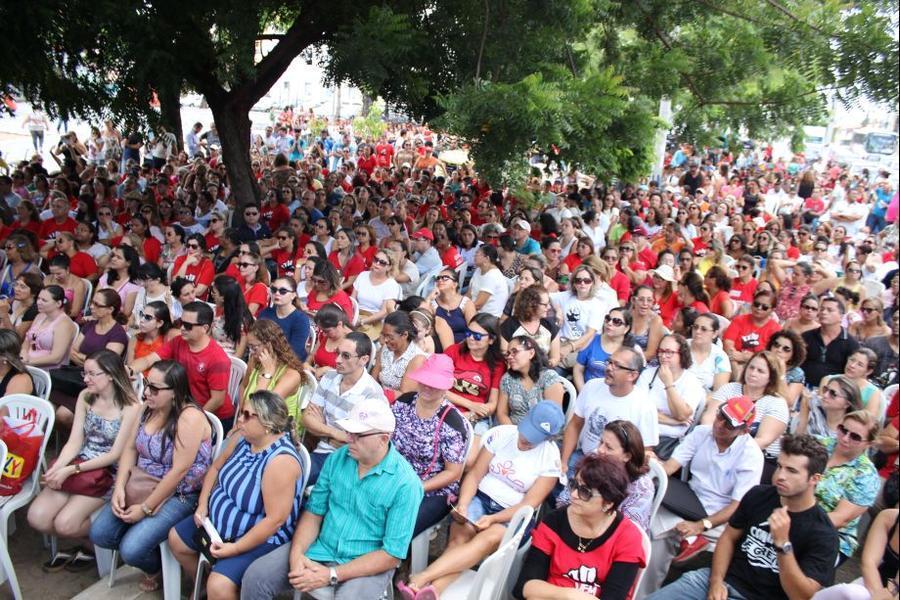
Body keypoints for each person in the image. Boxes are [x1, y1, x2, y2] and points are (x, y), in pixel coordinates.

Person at [240, 400, 423, 600]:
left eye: (358, 435)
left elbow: (391, 554)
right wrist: (297, 554)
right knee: (255, 577)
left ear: (383, 439)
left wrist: (332, 575)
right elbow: (314, 512)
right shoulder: (339, 458)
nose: (348, 439)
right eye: (348, 432)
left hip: (365, 562)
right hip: (321, 546)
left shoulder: (406, 484)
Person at [398, 401, 564, 599]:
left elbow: (528, 504)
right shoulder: (503, 435)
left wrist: (493, 519)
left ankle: (420, 578)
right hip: (481, 497)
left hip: (513, 513)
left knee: (487, 539)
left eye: (534, 439)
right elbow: (475, 474)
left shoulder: (550, 459)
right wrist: (464, 504)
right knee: (460, 537)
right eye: (527, 432)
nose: (526, 440)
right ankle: (433, 591)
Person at [646, 434, 839, 600]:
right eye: (779, 466)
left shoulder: (823, 534)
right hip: (718, 581)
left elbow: (801, 596)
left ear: (814, 479)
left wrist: (783, 546)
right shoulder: (759, 495)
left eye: (791, 471)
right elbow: (728, 538)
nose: (780, 475)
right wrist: (715, 581)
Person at [90, 360, 213, 593]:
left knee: (131, 549)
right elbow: (129, 449)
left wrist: (145, 508)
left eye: (154, 389)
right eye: (147, 384)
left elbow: (179, 471)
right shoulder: (146, 409)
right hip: (142, 482)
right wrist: (119, 487)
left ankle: (154, 562)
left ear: (175, 392)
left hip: (180, 493)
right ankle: (155, 556)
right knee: (100, 533)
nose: (146, 392)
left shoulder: (189, 418)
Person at [168, 390, 304, 599]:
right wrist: (203, 504)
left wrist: (235, 549)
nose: (239, 419)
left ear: (267, 424)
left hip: (258, 537)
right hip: (216, 525)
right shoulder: (243, 438)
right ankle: (203, 586)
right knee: (176, 540)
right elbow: (214, 469)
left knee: (220, 585)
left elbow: (275, 521)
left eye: (247, 415)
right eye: (242, 412)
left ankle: (219, 591)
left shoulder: (280, 462)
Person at [27, 350, 140, 572]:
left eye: (91, 374)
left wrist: (71, 469)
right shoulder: (86, 396)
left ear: (110, 375)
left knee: (65, 524)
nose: (85, 378)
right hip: (81, 461)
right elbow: (75, 441)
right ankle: (90, 542)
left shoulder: (131, 406)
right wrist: (59, 467)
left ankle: (100, 539)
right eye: (84, 373)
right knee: (37, 518)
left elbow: (115, 455)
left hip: (108, 472)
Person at [640, 396, 765, 594]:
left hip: (720, 518)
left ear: (744, 431)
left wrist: (701, 525)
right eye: (720, 416)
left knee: (658, 532)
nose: (720, 424)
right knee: (648, 518)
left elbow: (737, 507)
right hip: (689, 500)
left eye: (729, 424)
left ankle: (646, 594)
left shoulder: (751, 455)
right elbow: (671, 466)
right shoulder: (702, 432)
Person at [515, 453, 647, 600]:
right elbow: (525, 586)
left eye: (585, 492)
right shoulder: (554, 521)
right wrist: (568, 594)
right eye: (574, 485)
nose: (574, 495)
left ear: (608, 503)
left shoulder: (627, 537)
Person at [391, 354, 469, 536]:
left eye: (435, 383)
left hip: (431, 489)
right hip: (395, 475)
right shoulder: (404, 402)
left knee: (401, 525)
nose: (427, 386)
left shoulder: (451, 423)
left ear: (446, 387)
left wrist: (416, 486)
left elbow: (453, 472)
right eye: (425, 380)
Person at [130, 301, 234, 431]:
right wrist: (129, 370)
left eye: (188, 326)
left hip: (213, 417)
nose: (182, 328)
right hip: (183, 408)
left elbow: (217, 401)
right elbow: (148, 360)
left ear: (205, 328)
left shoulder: (218, 359)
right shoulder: (179, 342)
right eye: (181, 323)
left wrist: (191, 420)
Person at [302, 332, 387, 485]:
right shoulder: (329, 377)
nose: (337, 360)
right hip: (323, 451)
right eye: (338, 353)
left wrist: (321, 429)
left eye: (346, 356)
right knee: (283, 472)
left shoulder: (372, 395)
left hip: (350, 462)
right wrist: (333, 433)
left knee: (294, 478)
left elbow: (362, 445)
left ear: (364, 360)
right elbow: (307, 419)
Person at [562, 347, 659, 477]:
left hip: (613, 471)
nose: (608, 368)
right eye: (609, 362)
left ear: (632, 375)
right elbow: (575, 424)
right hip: (583, 456)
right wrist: (564, 462)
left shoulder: (645, 407)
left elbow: (645, 452)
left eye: (617, 366)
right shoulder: (591, 386)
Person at [557, 420, 655, 533]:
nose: (600, 450)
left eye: (609, 447)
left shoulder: (642, 487)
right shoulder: (592, 460)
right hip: (573, 525)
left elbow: (628, 531)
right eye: (601, 442)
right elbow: (563, 500)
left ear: (627, 456)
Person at [49, 288, 129, 427]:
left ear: (110, 309)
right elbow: (72, 351)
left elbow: (106, 364)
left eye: (97, 305)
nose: (92, 306)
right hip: (74, 379)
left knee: (63, 414)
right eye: (92, 302)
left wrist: (83, 360)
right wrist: (90, 361)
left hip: (97, 384)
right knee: (46, 404)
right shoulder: (90, 325)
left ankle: (80, 440)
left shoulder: (118, 334)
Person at [815, 411, 881, 564]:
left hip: (831, 535)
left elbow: (841, 518)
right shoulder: (818, 444)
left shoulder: (865, 474)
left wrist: (798, 524)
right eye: (843, 430)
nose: (845, 438)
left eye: (855, 437)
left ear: (869, 444)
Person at [704, 351, 790, 466]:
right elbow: (708, 419)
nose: (753, 373)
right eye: (751, 368)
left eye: (760, 371)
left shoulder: (777, 403)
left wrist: (727, 453)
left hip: (757, 458)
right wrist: (715, 448)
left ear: (771, 377)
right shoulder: (729, 389)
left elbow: (762, 441)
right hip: (715, 447)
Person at [442, 313, 506, 443]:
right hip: (445, 408)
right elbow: (439, 389)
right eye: (468, 333)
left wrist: (472, 414)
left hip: (477, 417)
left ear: (491, 340)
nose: (470, 338)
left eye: (477, 336)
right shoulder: (453, 351)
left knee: (474, 451)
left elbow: (493, 404)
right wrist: (471, 406)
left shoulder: (498, 364)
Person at [640, 333, 705, 459]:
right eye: (661, 351)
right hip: (643, 432)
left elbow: (682, 415)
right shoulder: (648, 375)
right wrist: (672, 421)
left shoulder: (691, 382)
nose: (663, 356)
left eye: (669, 352)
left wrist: (668, 384)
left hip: (668, 440)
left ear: (682, 354)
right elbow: (640, 410)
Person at [239, 320, 308, 428]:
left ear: (270, 345)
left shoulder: (291, 375)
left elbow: (260, 408)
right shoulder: (254, 361)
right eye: (250, 347)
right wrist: (242, 416)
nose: (251, 352)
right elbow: (243, 386)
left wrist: (267, 374)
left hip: (275, 430)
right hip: (250, 423)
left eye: (254, 347)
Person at [496, 335, 565, 425]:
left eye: (514, 352)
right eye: (508, 353)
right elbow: (502, 413)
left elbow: (552, 418)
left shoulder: (549, 378)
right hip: (513, 431)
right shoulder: (507, 379)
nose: (509, 357)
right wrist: (513, 433)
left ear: (531, 353)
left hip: (543, 432)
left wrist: (527, 436)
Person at [552, 264, 609, 369]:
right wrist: (558, 309)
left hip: (582, 346)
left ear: (592, 283)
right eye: (578, 280)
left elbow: (589, 334)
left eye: (587, 281)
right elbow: (544, 297)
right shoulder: (566, 296)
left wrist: (570, 347)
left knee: (554, 366)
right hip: (560, 342)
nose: (582, 283)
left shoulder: (598, 304)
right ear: (573, 283)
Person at [801, 297, 860, 386]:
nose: (824, 312)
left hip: (834, 391)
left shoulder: (851, 344)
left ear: (841, 316)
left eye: (830, 310)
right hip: (803, 386)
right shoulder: (806, 337)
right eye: (822, 309)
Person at [574, 307, 635, 391]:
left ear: (626, 328)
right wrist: (583, 392)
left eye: (616, 321)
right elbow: (578, 369)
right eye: (608, 319)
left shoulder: (631, 351)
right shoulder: (592, 339)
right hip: (588, 391)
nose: (609, 323)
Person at [723, 289, 782, 375]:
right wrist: (735, 359)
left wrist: (747, 357)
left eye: (764, 307)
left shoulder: (776, 329)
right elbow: (728, 343)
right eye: (756, 304)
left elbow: (771, 356)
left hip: (759, 367)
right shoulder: (739, 320)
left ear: (772, 310)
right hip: (733, 361)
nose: (759, 308)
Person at [371, 311, 428, 400]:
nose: (385, 340)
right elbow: (373, 380)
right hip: (378, 398)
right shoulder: (385, 349)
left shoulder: (416, 358)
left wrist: (378, 396)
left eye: (390, 337)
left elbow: (404, 396)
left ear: (404, 335)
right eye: (384, 335)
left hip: (397, 404)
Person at [21, 285, 78, 371]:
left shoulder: (64, 324)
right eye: (38, 298)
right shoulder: (39, 316)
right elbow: (27, 341)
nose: (39, 302)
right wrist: (23, 354)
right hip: (28, 364)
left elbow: (56, 358)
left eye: (44, 300)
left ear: (58, 303)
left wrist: (28, 362)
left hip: (49, 371)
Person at [258, 276, 310, 362]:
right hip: (264, 358)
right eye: (274, 290)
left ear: (293, 295)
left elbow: (295, 352)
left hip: (290, 364)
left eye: (283, 291)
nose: (277, 293)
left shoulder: (301, 320)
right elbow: (257, 341)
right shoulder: (265, 313)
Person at [353, 249, 401, 340]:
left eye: (382, 262)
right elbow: (352, 300)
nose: (377, 263)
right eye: (376, 259)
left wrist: (362, 321)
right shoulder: (363, 275)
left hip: (375, 321)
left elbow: (384, 312)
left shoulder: (391, 284)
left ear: (389, 267)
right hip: (357, 314)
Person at [794, 374, 863, 439]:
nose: (825, 395)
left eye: (833, 393)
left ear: (847, 404)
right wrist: (804, 418)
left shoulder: (848, 430)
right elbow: (797, 437)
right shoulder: (815, 403)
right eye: (826, 389)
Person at [431, 267, 476, 348]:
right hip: (439, 347)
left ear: (455, 284)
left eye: (445, 278)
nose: (440, 280)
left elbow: (474, 329)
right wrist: (429, 297)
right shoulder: (432, 304)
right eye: (438, 278)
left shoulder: (466, 303)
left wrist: (459, 348)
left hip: (464, 346)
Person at [209, 275, 253, 358]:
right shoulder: (214, 311)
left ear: (223, 297)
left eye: (214, 292)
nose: (212, 294)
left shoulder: (242, 321)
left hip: (228, 360)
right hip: (212, 353)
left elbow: (238, 355)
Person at [687, 313, 732, 392]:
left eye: (703, 329)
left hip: (704, 400)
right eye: (695, 327)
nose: (697, 331)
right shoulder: (680, 347)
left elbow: (719, 393)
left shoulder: (721, 357)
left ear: (714, 334)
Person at [309, 304, 353, 377]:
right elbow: (312, 355)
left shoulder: (353, 342)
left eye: (327, 331)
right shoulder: (324, 334)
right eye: (322, 330)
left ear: (339, 324)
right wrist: (307, 364)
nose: (324, 334)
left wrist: (328, 370)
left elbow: (352, 374)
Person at [171, 233, 215, 300]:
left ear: (202, 249)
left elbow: (199, 291)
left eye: (194, 246)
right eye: (188, 245)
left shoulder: (207, 265)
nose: (190, 249)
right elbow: (175, 283)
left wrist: (182, 292)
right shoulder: (180, 259)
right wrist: (186, 263)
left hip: (196, 301)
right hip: (179, 298)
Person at [0, 271, 43, 338]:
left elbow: (17, 338)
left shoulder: (33, 311)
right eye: (16, 284)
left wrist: (5, 315)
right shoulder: (15, 301)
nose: (16, 289)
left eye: (22, 287)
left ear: (34, 292)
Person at [631, 285, 666, 363]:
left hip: (646, 362)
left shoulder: (655, 320)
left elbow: (651, 353)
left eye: (649, 300)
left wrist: (628, 360)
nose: (645, 303)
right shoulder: (626, 315)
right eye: (641, 299)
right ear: (633, 300)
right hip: (623, 359)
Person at [47, 254, 88, 319]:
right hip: (47, 315)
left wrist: (54, 316)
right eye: (52, 273)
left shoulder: (78, 284)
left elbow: (75, 312)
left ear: (67, 269)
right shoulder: (48, 279)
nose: (55, 277)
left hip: (68, 317)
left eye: (58, 273)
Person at [236, 252, 270, 318]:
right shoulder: (240, 280)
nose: (241, 267)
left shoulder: (260, 288)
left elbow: (249, 315)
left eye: (245, 265)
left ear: (255, 268)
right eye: (240, 264)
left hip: (249, 324)